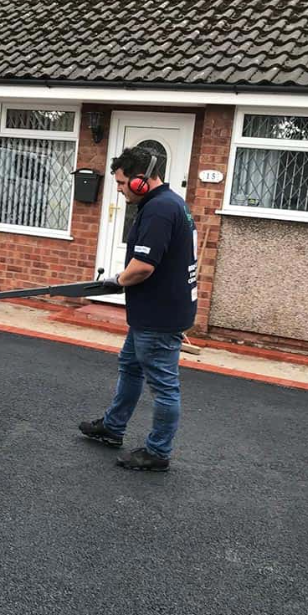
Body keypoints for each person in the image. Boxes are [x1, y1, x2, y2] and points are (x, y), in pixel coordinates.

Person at [79, 145, 198, 471]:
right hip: (155, 310)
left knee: (164, 385)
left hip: (160, 315)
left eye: (120, 183)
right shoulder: (169, 203)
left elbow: (143, 267)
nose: (118, 189)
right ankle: (113, 428)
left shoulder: (160, 210)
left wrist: (119, 279)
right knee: (130, 366)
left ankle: (157, 452)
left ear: (141, 180)